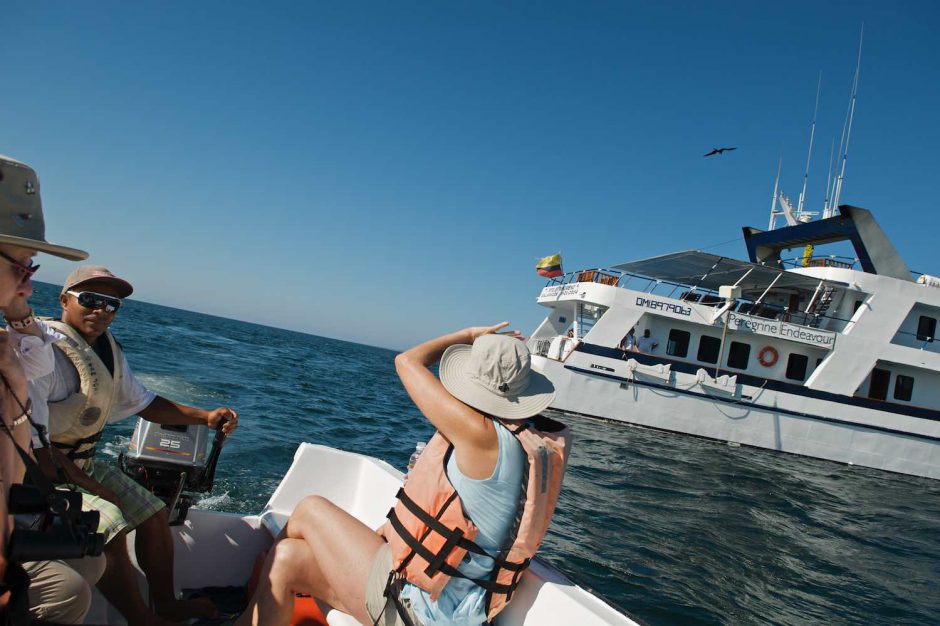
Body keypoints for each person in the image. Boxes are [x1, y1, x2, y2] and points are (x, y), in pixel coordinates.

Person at [236, 322, 570, 626]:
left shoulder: (480, 436)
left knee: (309, 508)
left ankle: (247, 605)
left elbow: (406, 362)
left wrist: (465, 337)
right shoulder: (528, 445)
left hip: (418, 609)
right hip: (454, 612)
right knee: (287, 559)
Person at [22, 264, 239, 624]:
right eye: (90, 300)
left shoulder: (107, 350)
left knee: (154, 512)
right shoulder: (42, 351)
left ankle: (165, 603)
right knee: (113, 519)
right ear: (64, 300)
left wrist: (205, 416)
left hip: (83, 463)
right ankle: (139, 616)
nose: (101, 311)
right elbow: (34, 447)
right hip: (41, 471)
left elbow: (144, 403)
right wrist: (92, 487)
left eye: (111, 305)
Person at [0, 154, 107, 625]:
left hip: (17, 502)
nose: (28, 279)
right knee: (68, 590)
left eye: (32, 267)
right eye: (20, 265)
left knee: (91, 557)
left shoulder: (12, 346)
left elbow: (35, 362)